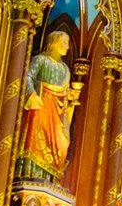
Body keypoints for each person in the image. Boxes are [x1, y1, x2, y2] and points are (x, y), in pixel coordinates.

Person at [17, 30, 81, 183]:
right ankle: (30, 171)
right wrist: (31, 93)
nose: (66, 47)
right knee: (36, 140)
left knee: (61, 143)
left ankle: (50, 177)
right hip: (42, 106)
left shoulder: (65, 69)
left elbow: (63, 92)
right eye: (63, 42)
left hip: (58, 112)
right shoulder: (40, 60)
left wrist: (70, 96)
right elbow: (28, 76)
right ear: (53, 43)